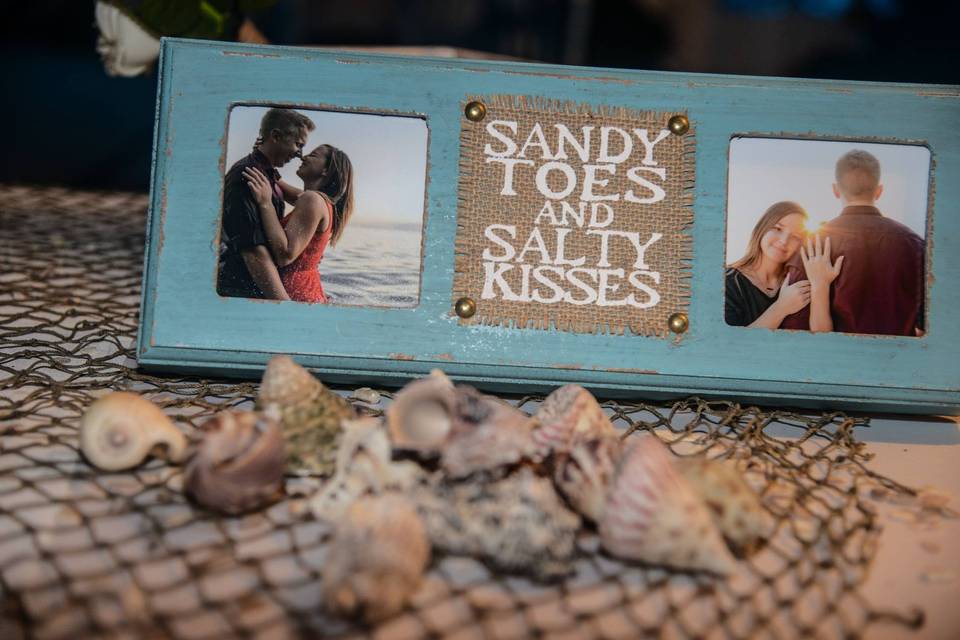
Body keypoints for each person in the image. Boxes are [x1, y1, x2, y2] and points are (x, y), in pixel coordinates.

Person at [781, 150, 924, 336]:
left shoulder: (812, 244)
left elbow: (795, 326)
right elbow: (927, 326)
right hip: (896, 361)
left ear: (836, 190)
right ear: (879, 191)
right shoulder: (915, 245)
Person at [217, 108, 315, 300]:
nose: (300, 155)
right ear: (276, 136)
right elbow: (253, 251)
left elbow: (307, 201)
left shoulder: (267, 172)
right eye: (298, 144)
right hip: (240, 291)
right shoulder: (248, 175)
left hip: (255, 286)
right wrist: (284, 306)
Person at [242, 143, 355, 303]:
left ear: (325, 171)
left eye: (313, 155)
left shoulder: (312, 200)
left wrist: (265, 202)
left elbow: (285, 255)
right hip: (309, 293)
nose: (304, 156)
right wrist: (265, 162)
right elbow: (284, 188)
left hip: (295, 295)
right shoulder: (319, 202)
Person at [726, 201, 843, 330]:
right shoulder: (727, 282)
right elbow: (729, 345)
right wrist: (781, 308)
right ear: (762, 228)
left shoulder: (799, 282)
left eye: (796, 236)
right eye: (778, 229)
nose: (784, 240)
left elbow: (821, 340)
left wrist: (821, 284)